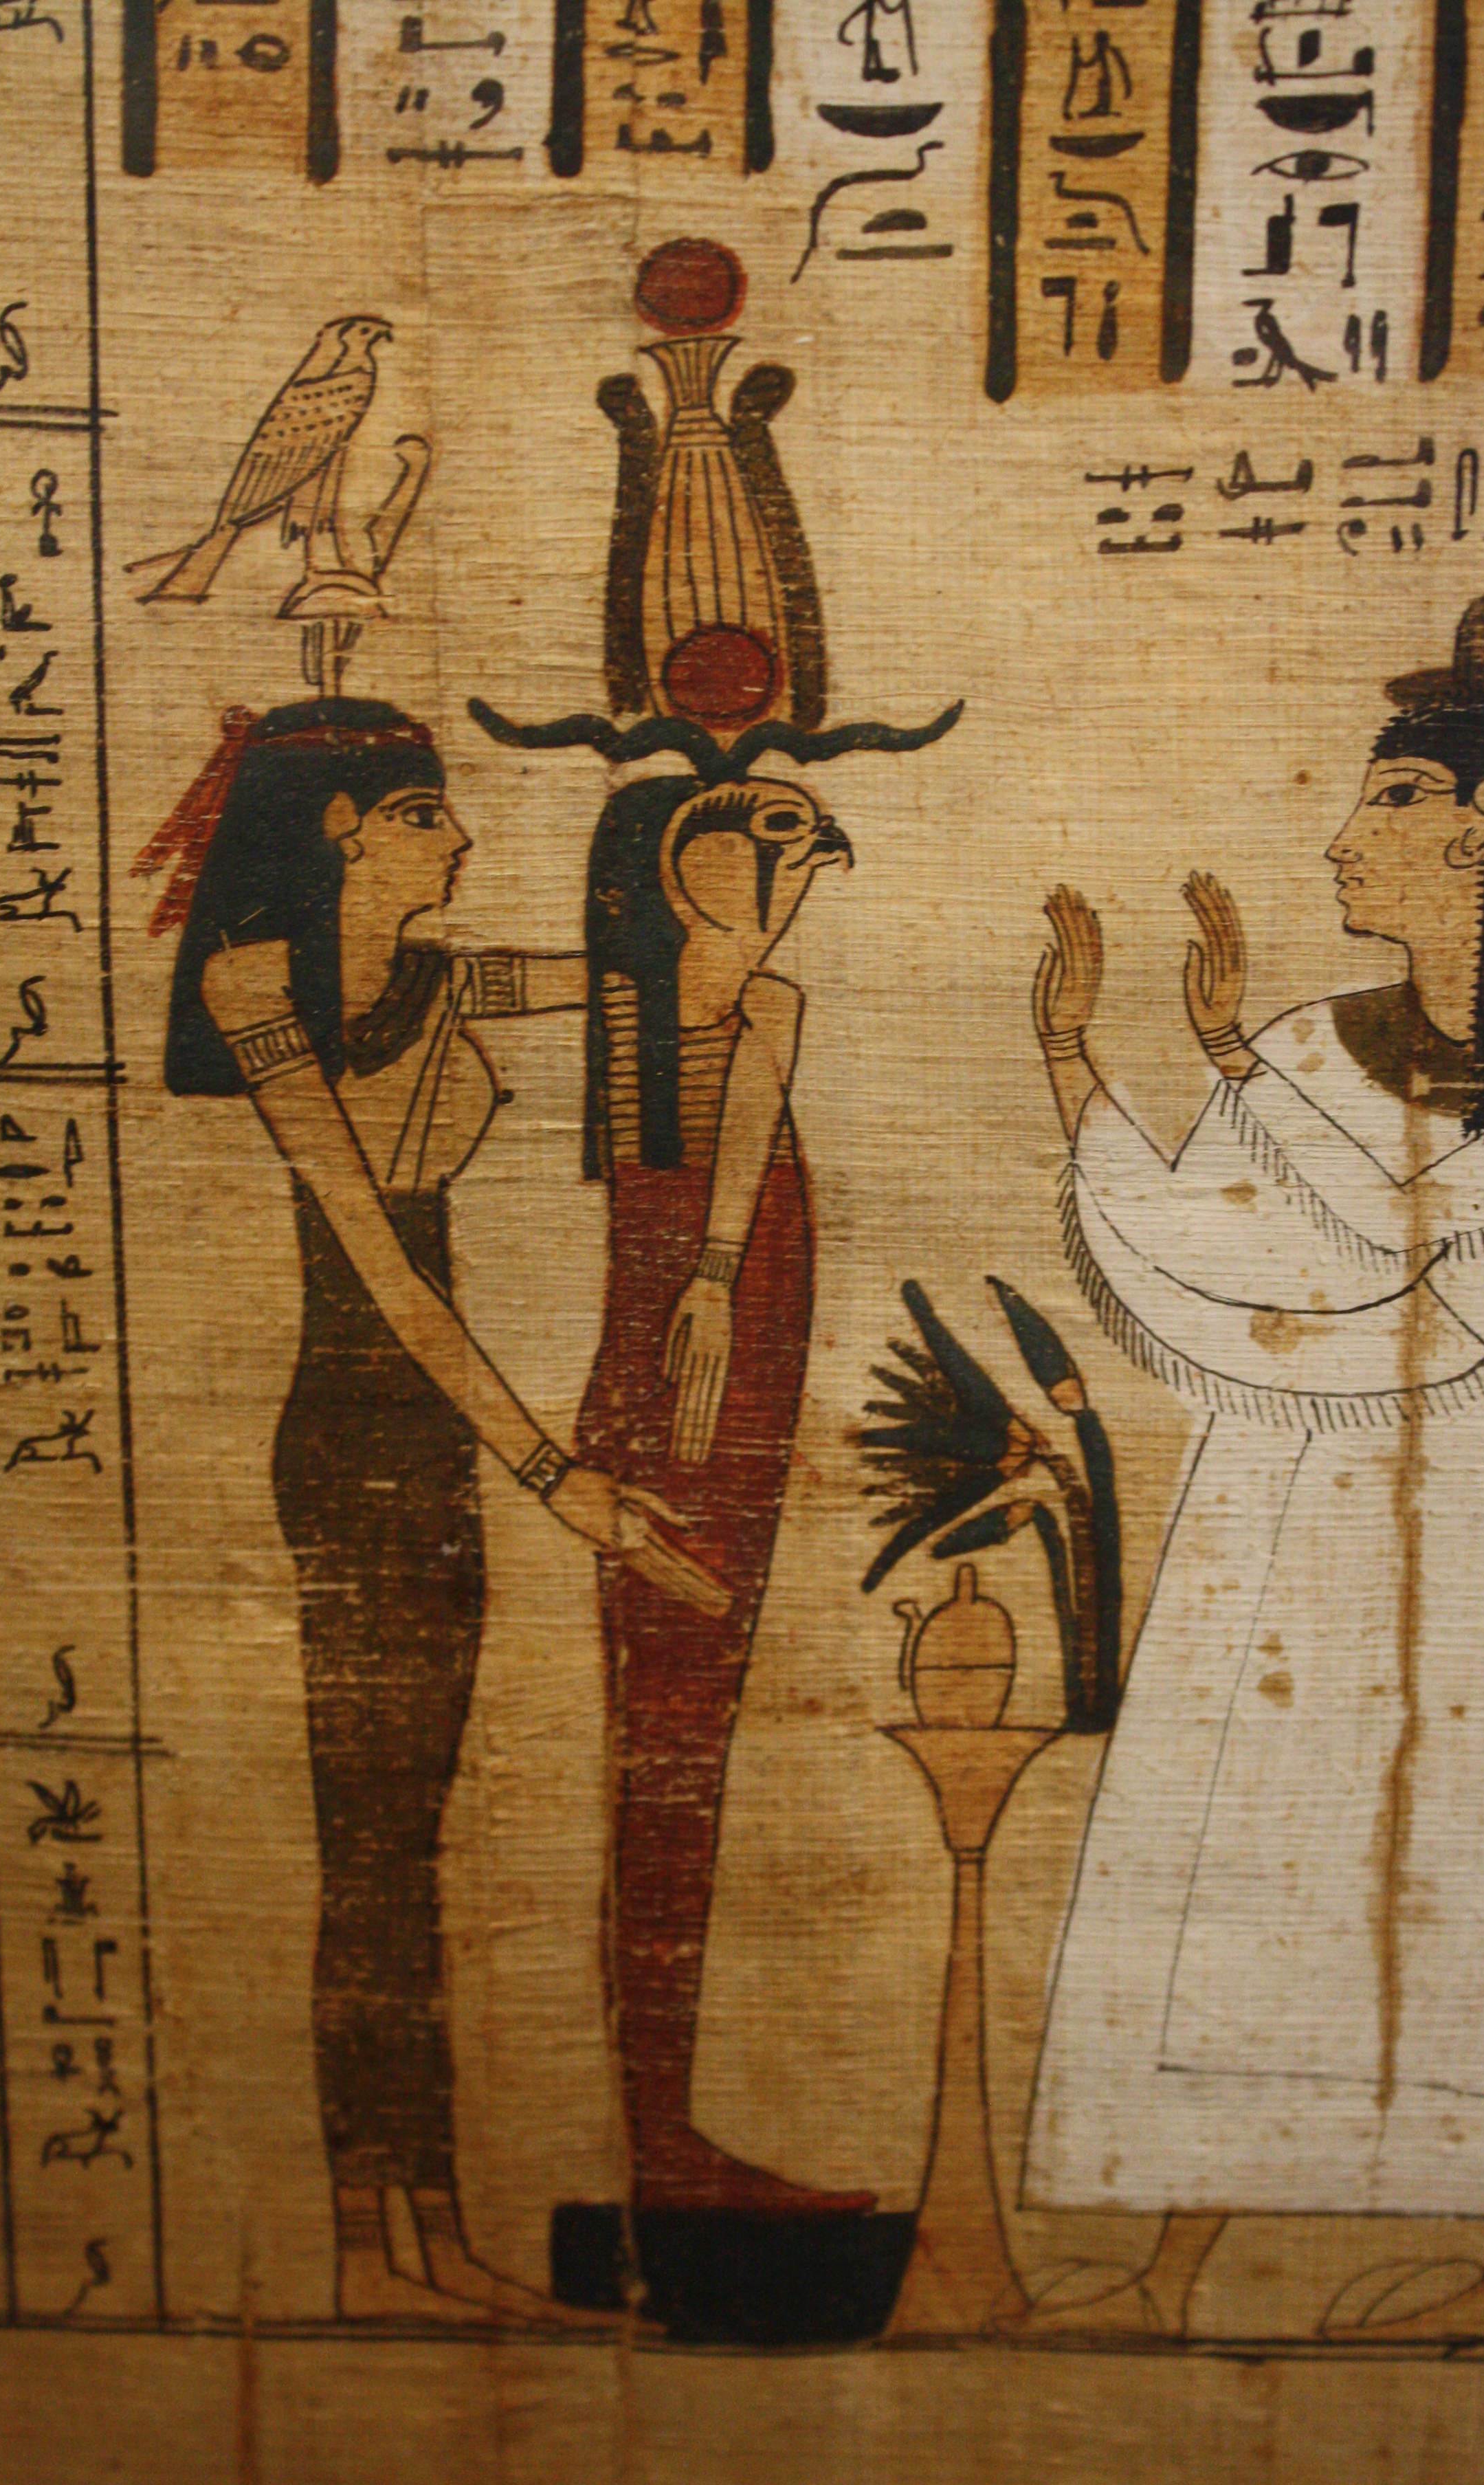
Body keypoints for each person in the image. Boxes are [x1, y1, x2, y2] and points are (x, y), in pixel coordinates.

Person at [1019, 593, 1484, 2340]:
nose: (1344, 836)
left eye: (1390, 797)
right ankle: (1174, 2264)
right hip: (1272, 1481)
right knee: (1232, 1844)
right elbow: (1212, 1245)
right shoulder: (1322, 1039)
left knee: (1452, 1852)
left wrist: (1231, 1060)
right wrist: (1077, 1056)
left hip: (1464, 1488)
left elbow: (1418, 1229)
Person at [153, 696, 726, 2324]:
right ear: (343, 828)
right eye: (428, 817)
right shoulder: (257, 988)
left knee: (409, 1845)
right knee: (374, 1849)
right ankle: (372, 2241)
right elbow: (386, 1271)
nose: (461, 841)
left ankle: (424, 2231)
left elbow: (605, 980)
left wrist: (701, 932)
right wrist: (559, 1478)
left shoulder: (424, 980)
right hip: (355, 1433)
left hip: (431, 1444)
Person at [569, 769, 877, 2213]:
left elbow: (735, 1204)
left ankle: (663, 2127)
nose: (800, 862)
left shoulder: (769, 1010)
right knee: (664, 1739)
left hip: (738, 1366)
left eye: (803, 839)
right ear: (680, 868)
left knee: (689, 1737)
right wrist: (700, 1286)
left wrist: (710, 1278)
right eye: (768, 837)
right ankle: (653, 2136)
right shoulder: (616, 1005)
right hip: (671, 1389)